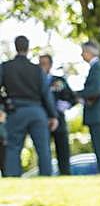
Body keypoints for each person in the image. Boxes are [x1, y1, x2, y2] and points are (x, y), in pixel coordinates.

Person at [0, 35, 58, 176]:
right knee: (43, 148)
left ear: (16, 47)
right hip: (37, 111)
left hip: (15, 111)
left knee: (13, 147)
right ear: (28, 47)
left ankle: (13, 177)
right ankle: (47, 177)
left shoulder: (5, 67)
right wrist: (53, 115)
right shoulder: (37, 70)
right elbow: (46, 94)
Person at [77, 40, 100, 174]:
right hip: (97, 116)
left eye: (83, 52)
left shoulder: (97, 68)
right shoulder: (97, 68)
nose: (82, 55)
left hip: (98, 115)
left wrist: (78, 94)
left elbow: (95, 90)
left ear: (89, 52)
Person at [39, 53, 76, 175]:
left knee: (63, 150)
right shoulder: (35, 82)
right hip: (42, 120)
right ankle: (46, 174)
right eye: (40, 64)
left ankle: (65, 173)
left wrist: (67, 104)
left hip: (59, 120)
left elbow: (73, 98)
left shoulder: (59, 81)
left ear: (50, 65)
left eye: (44, 64)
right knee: (44, 150)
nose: (42, 66)